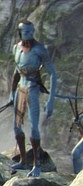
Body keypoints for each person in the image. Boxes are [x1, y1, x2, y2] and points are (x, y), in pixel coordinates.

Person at [9, 20, 57, 177]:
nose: (30, 35)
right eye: (26, 32)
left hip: (33, 89)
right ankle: (23, 161)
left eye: (31, 32)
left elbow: (52, 73)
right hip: (20, 89)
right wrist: (11, 93)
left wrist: (51, 101)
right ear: (20, 33)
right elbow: (17, 71)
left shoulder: (39, 50)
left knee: (34, 127)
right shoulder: (16, 48)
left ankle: (37, 165)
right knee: (17, 127)